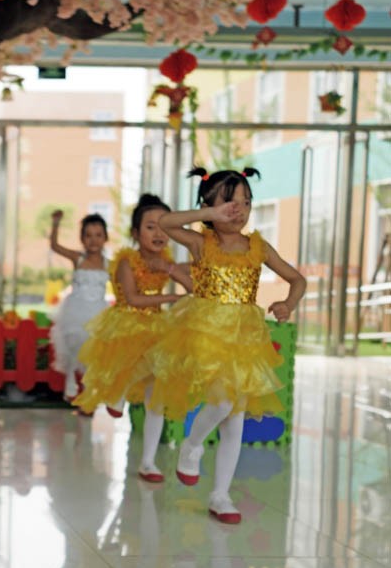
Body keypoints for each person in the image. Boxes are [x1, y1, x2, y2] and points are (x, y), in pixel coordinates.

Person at [151, 168, 306, 524]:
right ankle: (191, 446)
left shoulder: (258, 247)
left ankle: (220, 495)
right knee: (222, 402)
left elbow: (297, 279)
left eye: (246, 202)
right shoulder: (200, 242)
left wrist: (287, 304)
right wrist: (208, 217)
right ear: (208, 205)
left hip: (244, 337)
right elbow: (166, 222)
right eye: (229, 202)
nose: (239, 210)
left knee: (234, 419)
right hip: (205, 332)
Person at [74, 195, 191, 462]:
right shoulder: (127, 261)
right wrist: (171, 298)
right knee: (128, 356)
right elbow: (134, 298)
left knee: (155, 398)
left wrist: (173, 268)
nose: (159, 233)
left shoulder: (166, 260)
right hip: (127, 320)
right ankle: (118, 395)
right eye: (151, 227)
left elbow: (192, 286)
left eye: (165, 227)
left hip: (156, 325)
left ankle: (148, 462)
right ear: (136, 233)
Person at [47, 211, 108, 402]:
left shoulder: (109, 264)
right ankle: (70, 381)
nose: (93, 240)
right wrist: (56, 223)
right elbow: (55, 246)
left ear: (105, 238)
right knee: (75, 346)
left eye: (98, 235)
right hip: (76, 310)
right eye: (88, 236)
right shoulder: (78, 258)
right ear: (82, 239)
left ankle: (90, 390)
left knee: (94, 352)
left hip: (98, 311)